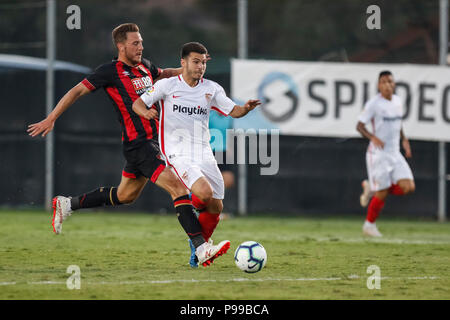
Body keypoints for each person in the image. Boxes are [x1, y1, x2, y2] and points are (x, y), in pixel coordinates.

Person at [27, 23, 226, 267]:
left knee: (125, 195)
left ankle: (67, 204)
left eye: (141, 42)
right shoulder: (110, 71)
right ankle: (201, 247)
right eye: (135, 43)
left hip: (151, 143)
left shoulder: (146, 67)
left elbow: (166, 74)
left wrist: (192, 65)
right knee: (177, 188)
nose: (141, 47)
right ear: (121, 46)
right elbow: (77, 91)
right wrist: (52, 117)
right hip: (140, 144)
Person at [132, 41, 261, 266]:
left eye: (203, 62)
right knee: (203, 192)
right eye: (195, 61)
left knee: (216, 206)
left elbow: (234, 110)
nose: (200, 66)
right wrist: (146, 112)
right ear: (183, 62)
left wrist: (246, 109)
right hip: (176, 151)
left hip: (203, 152)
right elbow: (137, 104)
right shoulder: (167, 86)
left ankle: (198, 248)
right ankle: (200, 242)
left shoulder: (212, 89)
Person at [357, 70, 415, 237]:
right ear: (378, 85)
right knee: (382, 191)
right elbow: (359, 126)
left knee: (408, 187)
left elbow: (399, 123)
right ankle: (369, 225)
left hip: (395, 152)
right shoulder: (373, 104)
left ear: (394, 84)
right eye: (383, 82)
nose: (387, 85)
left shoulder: (397, 101)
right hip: (378, 154)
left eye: (390, 81)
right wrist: (372, 137)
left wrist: (404, 139)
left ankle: (372, 189)